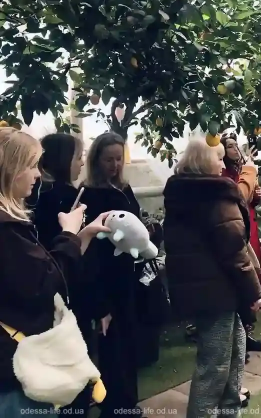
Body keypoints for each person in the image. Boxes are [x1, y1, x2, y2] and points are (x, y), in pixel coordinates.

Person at [0, 127, 108, 415]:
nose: (38, 174)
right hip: (15, 369)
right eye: (31, 165)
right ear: (11, 169)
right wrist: (69, 233)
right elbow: (45, 283)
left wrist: (81, 236)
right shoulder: (6, 230)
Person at [163, 138, 261, 418]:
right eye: (218, 158)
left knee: (234, 354)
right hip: (214, 291)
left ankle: (229, 411)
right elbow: (234, 252)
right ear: (204, 161)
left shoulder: (184, 192)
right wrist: (253, 293)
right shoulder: (213, 196)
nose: (222, 164)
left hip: (209, 289)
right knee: (215, 365)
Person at [77, 132, 142, 418]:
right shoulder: (89, 194)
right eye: (108, 160)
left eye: (118, 159)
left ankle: (127, 402)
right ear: (96, 160)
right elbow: (90, 250)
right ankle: (115, 407)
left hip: (127, 275)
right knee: (111, 346)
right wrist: (99, 300)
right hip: (104, 278)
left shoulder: (124, 188)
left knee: (128, 343)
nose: (115, 165)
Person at [220, 132, 261, 357]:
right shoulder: (223, 174)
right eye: (229, 146)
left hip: (250, 224)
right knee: (241, 274)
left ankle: (248, 332)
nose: (235, 149)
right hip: (236, 225)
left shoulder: (241, 170)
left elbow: (250, 198)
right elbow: (238, 196)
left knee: (254, 272)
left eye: (235, 145)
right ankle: (238, 340)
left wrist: (257, 195)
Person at [27, 133, 84, 250]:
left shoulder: (33, 191)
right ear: (64, 160)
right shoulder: (67, 195)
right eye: (78, 157)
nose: (82, 163)